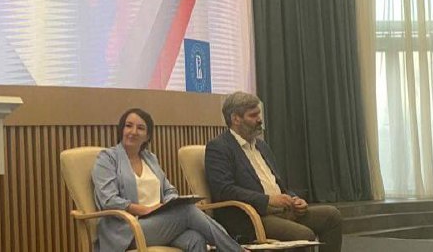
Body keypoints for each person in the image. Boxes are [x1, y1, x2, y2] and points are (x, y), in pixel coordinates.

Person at [205, 92, 342, 251]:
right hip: (252, 217)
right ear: (236, 119)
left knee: (331, 216)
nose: (259, 119)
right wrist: (267, 200)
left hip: (282, 211)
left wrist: (294, 199)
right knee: (303, 234)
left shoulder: (262, 146)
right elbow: (224, 191)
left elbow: (278, 185)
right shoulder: (219, 148)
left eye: (259, 114)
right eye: (253, 115)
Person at [92, 108, 242, 252]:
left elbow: (168, 190)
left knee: (195, 239)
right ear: (121, 129)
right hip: (127, 229)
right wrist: (145, 209)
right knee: (188, 212)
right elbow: (108, 200)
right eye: (128, 126)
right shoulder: (107, 158)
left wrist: (170, 203)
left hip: (158, 222)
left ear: (147, 136)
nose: (133, 132)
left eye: (140, 128)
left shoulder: (150, 158)